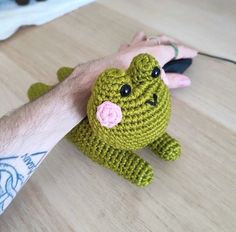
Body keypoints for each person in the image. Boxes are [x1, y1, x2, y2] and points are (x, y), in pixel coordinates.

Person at [0, 32, 197, 214]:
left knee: (63, 75)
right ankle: (51, 86)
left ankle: (66, 79)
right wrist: (75, 88)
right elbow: (113, 154)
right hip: (91, 125)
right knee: (40, 89)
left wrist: (77, 83)